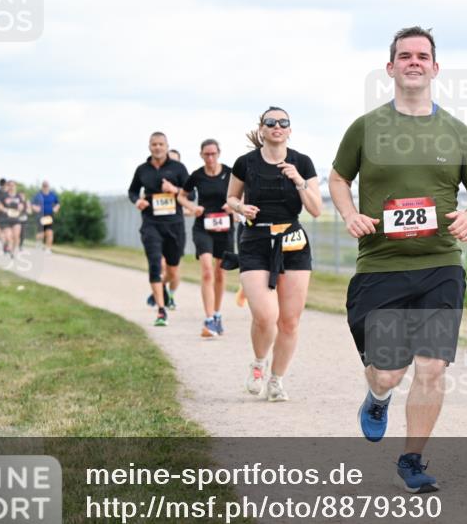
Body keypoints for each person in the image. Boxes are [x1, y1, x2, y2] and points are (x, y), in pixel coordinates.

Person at [329, 26, 467, 493]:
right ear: (391, 67)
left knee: (431, 367)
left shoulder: (457, 131)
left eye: (423, 55)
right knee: (388, 370)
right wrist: (350, 213)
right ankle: (377, 395)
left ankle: (412, 460)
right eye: (405, 56)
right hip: (380, 267)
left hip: (441, 265)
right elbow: (338, 178)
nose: (414, 62)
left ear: (435, 68)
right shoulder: (366, 128)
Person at [226, 107, 322, 402]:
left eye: (283, 122)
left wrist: (299, 181)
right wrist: (241, 208)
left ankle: (276, 380)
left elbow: (316, 209)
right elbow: (230, 198)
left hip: (292, 241)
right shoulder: (246, 163)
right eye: (271, 122)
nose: (277, 126)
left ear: (289, 130)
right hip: (255, 239)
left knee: (290, 321)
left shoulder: (302, 162)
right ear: (262, 129)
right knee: (267, 316)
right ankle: (258, 363)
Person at [128, 131, 190, 326]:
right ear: (149, 146)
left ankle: (164, 290)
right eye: (154, 144)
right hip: (151, 224)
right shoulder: (142, 170)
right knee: (155, 264)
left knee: (172, 269)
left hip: (174, 225)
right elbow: (132, 191)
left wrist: (175, 190)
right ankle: (161, 311)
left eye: (161, 144)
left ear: (167, 146)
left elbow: (192, 195)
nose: (157, 147)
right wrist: (137, 200)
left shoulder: (178, 168)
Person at [180, 139, 239, 338]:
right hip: (203, 227)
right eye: (207, 154)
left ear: (219, 153)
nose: (210, 158)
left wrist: (233, 206)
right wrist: (192, 207)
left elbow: (244, 195)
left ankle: (217, 312)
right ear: (201, 155)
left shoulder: (230, 173)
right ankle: (209, 318)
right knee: (207, 271)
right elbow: (181, 196)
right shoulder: (197, 175)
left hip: (225, 227)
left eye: (213, 154)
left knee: (220, 273)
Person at [32, 181, 61, 253]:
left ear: (49, 186)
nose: (45, 187)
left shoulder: (52, 195)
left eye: (46, 186)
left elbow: (57, 203)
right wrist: (35, 208)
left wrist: (56, 208)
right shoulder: (38, 195)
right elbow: (32, 204)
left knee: (49, 232)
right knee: (41, 233)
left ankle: (48, 249)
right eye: (44, 186)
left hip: (49, 216)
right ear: (42, 186)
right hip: (40, 216)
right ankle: (38, 245)